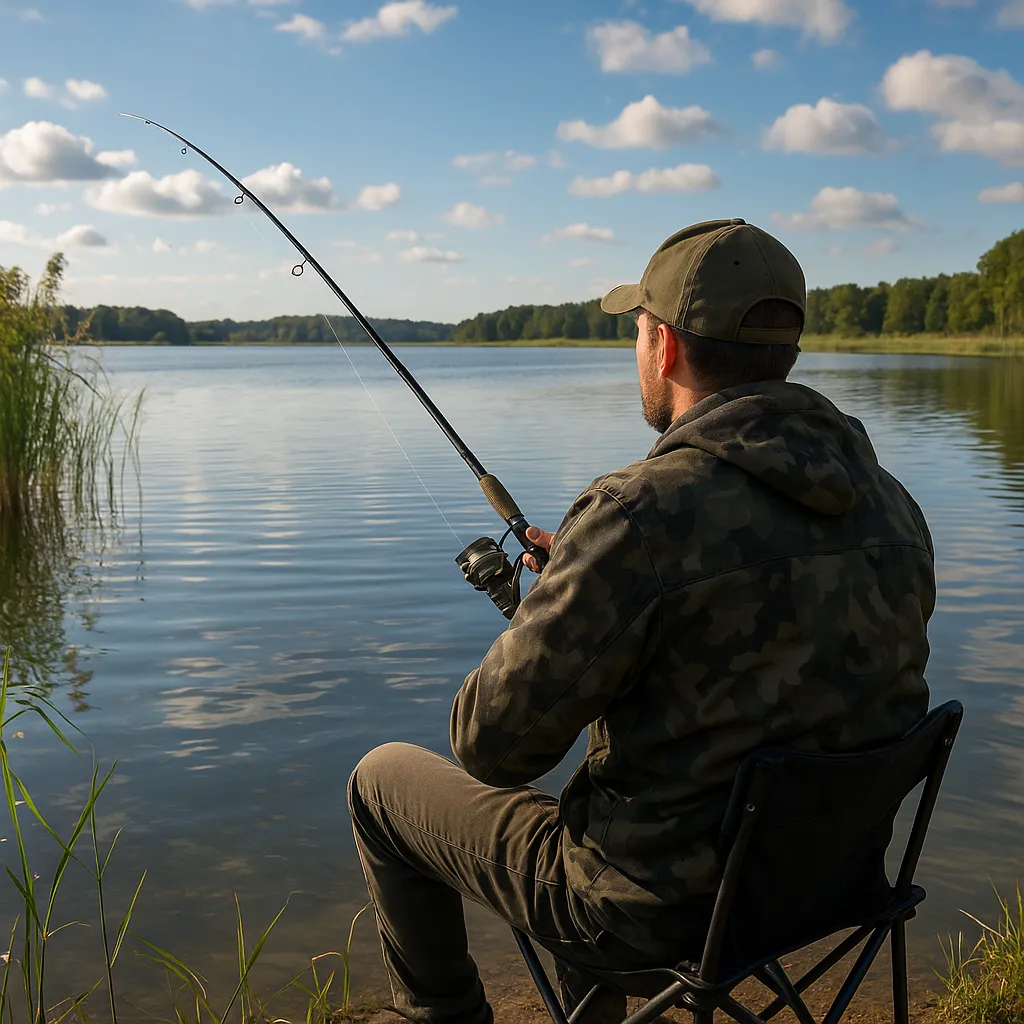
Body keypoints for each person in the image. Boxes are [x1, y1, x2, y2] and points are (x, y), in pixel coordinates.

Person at [347, 219, 934, 1024]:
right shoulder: (894, 506)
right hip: (831, 887)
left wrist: (564, 601)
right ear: (783, 349)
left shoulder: (636, 516)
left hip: (651, 915)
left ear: (665, 347)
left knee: (380, 781)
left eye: (638, 330)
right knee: (594, 809)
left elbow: (491, 748)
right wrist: (581, 590)